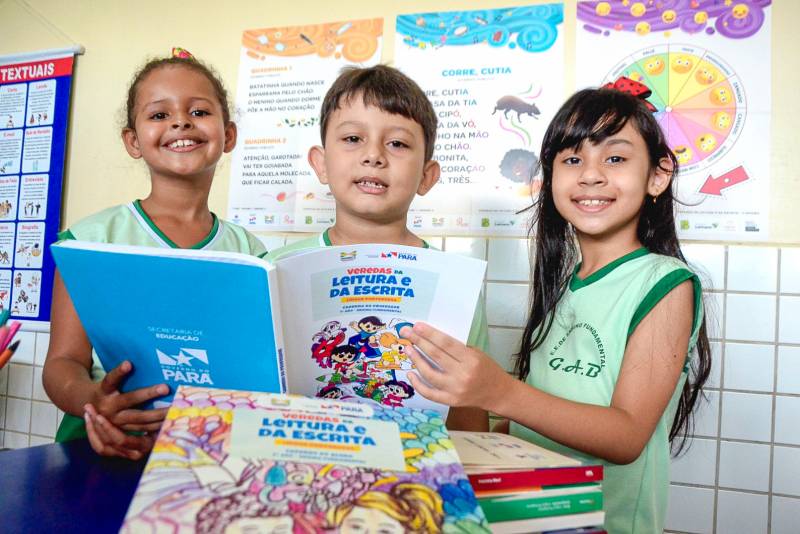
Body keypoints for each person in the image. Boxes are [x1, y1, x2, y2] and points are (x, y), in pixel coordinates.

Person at [400, 88, 712, 533]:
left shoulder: (665, 283)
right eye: (572, 159)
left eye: (615, 158)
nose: (591, 175)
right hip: (541, 513)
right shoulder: (566, 284)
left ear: (658, 176)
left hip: (608, 523)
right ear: (550, 178)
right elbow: (544, 413)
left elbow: (626, 437)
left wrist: (499, 392)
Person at [43, 50, 267, 459]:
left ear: (229, 134)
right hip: (100, 448)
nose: (181, 122)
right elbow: (62, 362)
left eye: (199, 111)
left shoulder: (251, 254)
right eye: (160, 114)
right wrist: (93, 400)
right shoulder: (90, 241)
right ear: (133, 141)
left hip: (207, 450)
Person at [266, 65, 489, 431]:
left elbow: (471, 418)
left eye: (397, 143)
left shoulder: (455, 284)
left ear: (427, 176)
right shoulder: (274, 269)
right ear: (321, 164)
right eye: (353, 138)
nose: (373, 155)